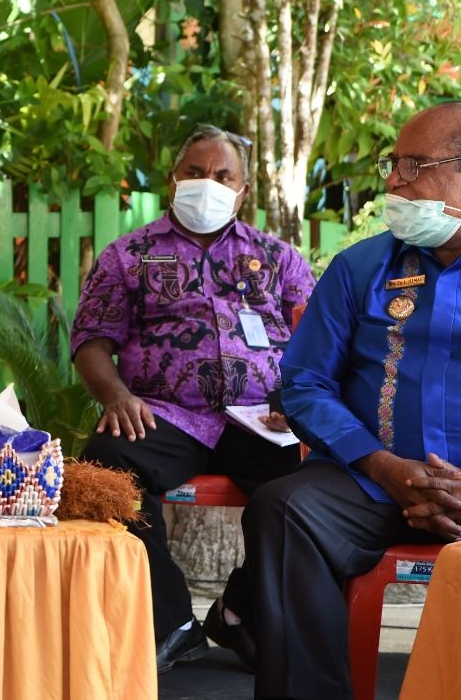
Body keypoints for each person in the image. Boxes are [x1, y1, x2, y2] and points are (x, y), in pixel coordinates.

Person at [225, 103, 461, 699]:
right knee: (283, 508)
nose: (392, 181)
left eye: (413, 166)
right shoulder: (361, 268)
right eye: (393, 163)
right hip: (371, 482)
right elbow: (303, 383)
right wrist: (384, 467)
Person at [69, 124, 314, 673]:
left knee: (314, 485)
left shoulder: (278, 258)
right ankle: (171, 622)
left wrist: (298, 402)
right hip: (163, 414)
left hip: (261, 417)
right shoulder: (128, 255)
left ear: (243, 190)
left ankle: (239, 611)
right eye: (196, 173)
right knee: (103, 472)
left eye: (223, 176)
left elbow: (317, 343)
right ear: (172, 181)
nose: (209, 184)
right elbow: (90, 342)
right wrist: (116, 396)